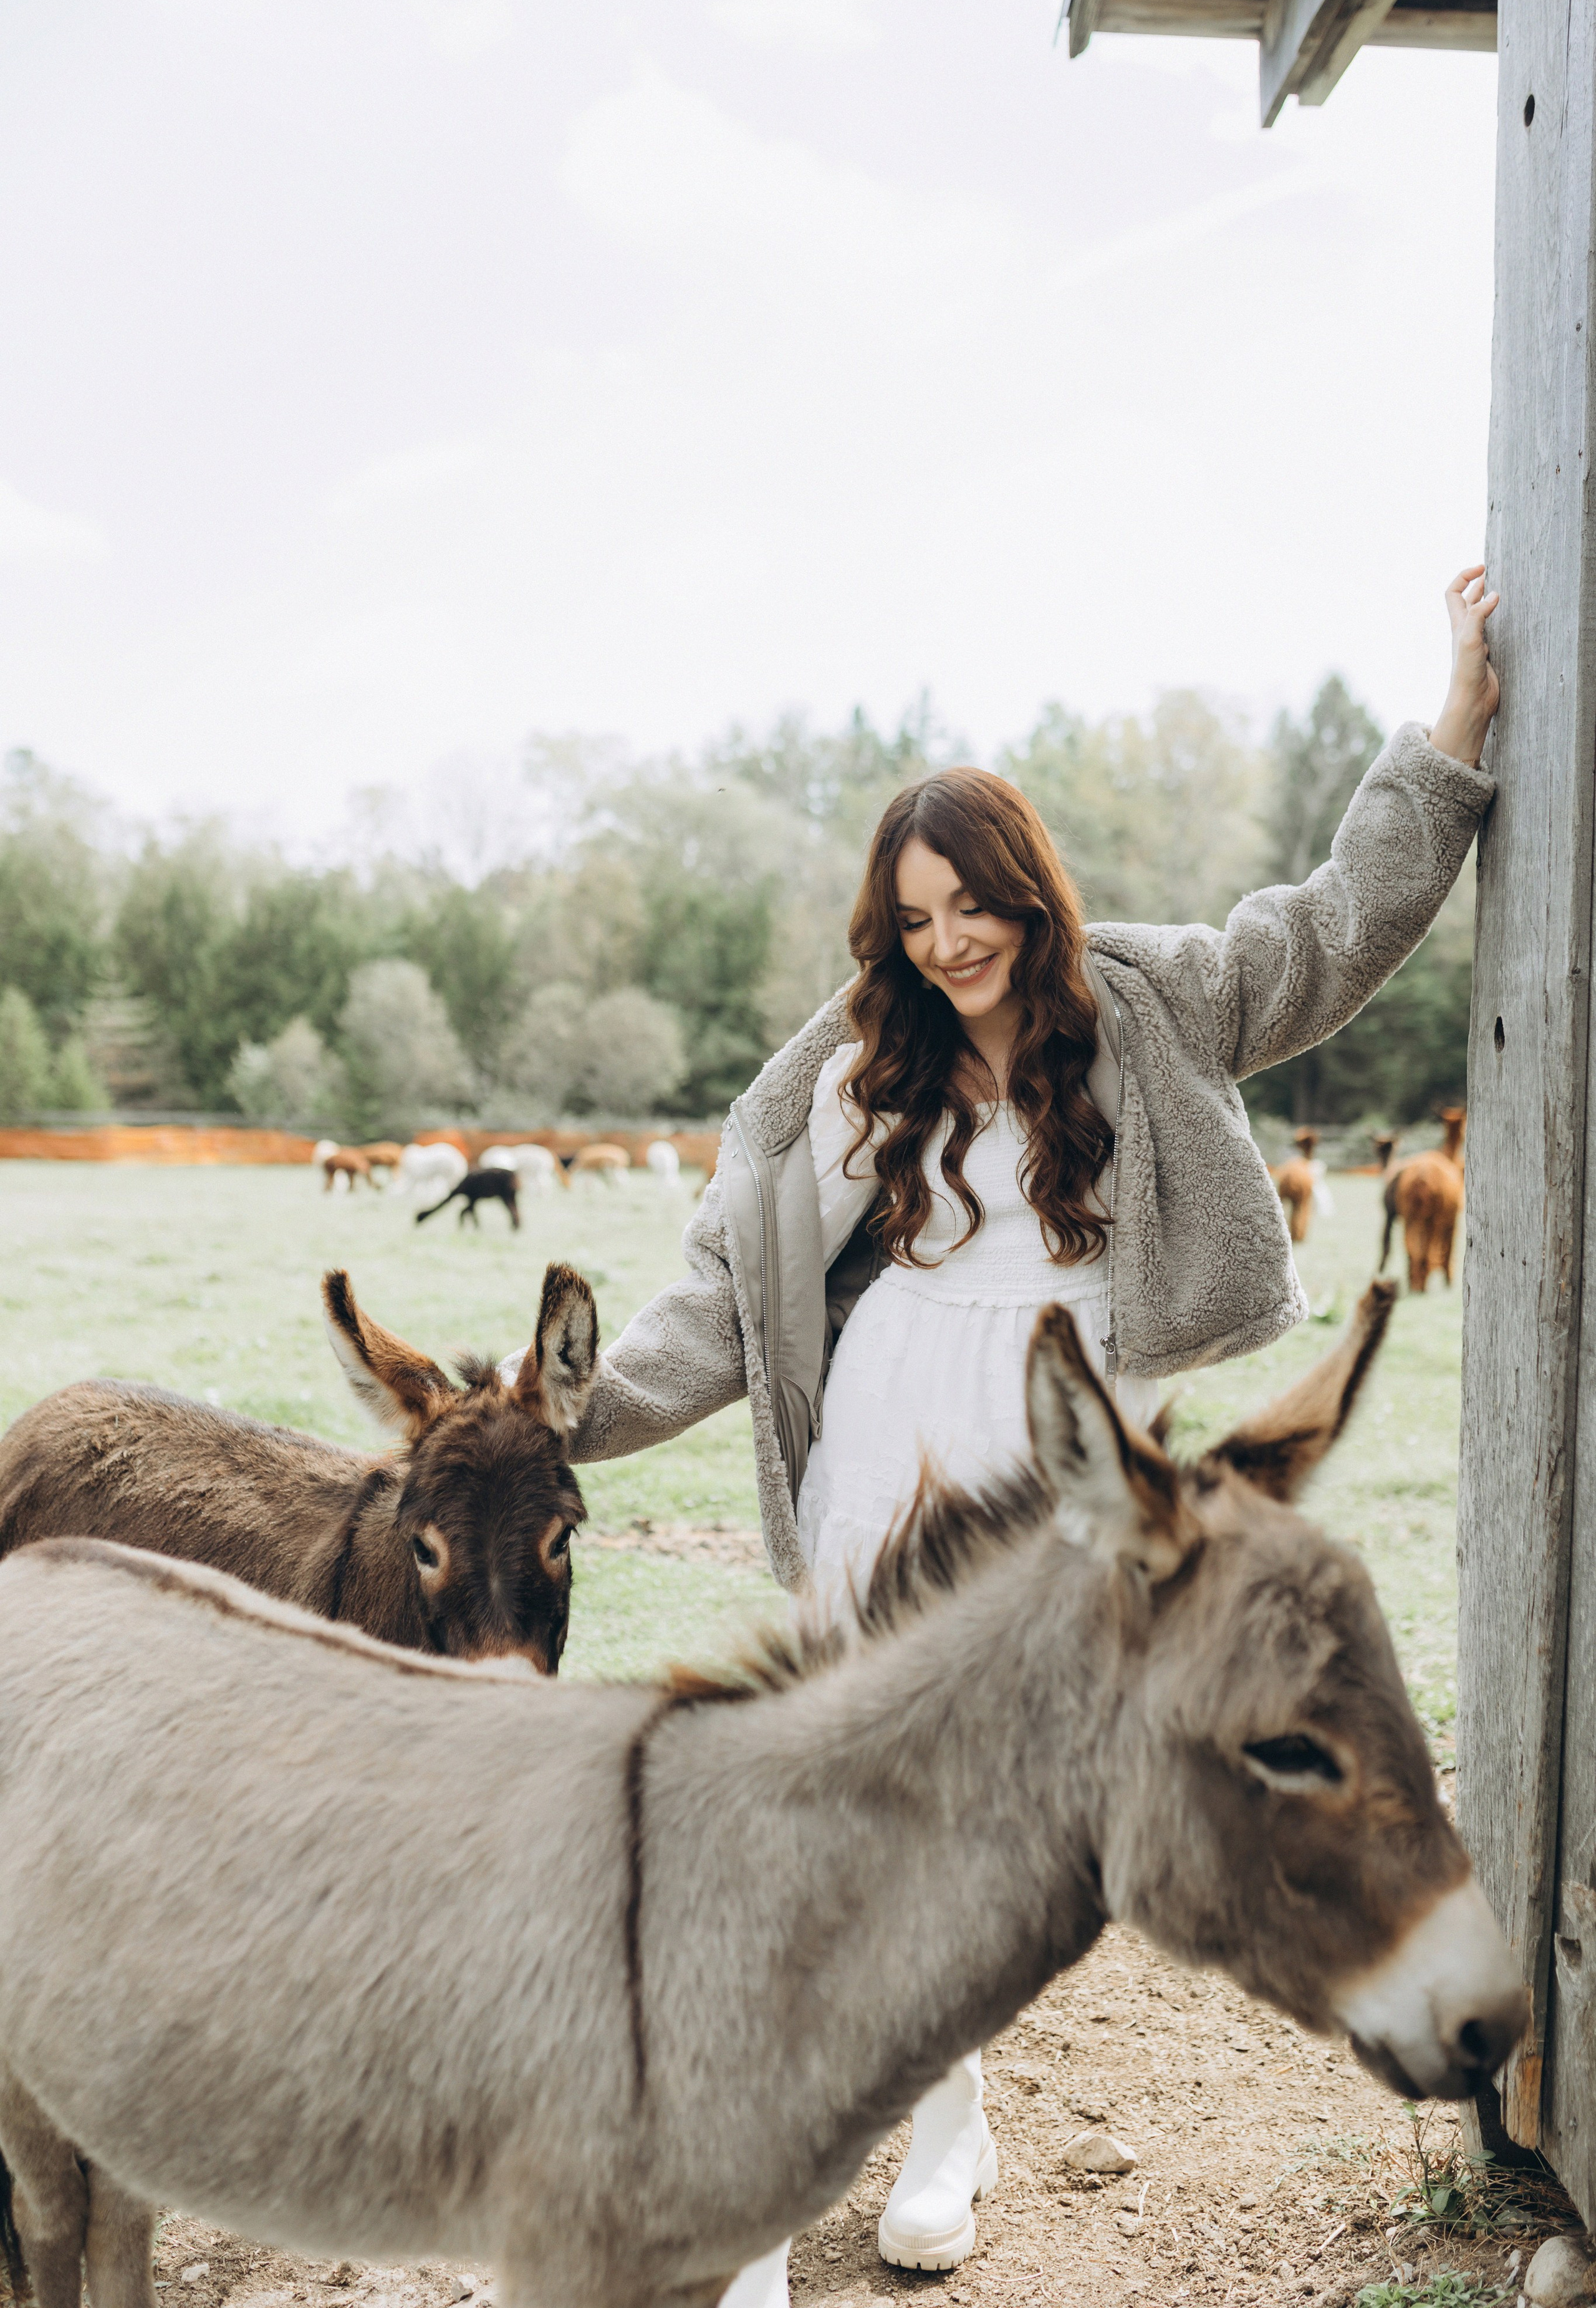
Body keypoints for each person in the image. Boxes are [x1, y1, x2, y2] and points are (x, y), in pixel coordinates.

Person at [504, 568, 1501, 2308]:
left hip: (1054, 1481)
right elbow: (729, 1311)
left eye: (973, 905)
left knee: (977, 1837)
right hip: (875, 1462)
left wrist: (1452, 733)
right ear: (882, 931)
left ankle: (950, 2133)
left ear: (1028, 892)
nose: (948, 943)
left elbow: (1332, 929)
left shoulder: (1150, 1004)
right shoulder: (843, 1080)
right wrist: (552, 1421)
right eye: (914, 918)